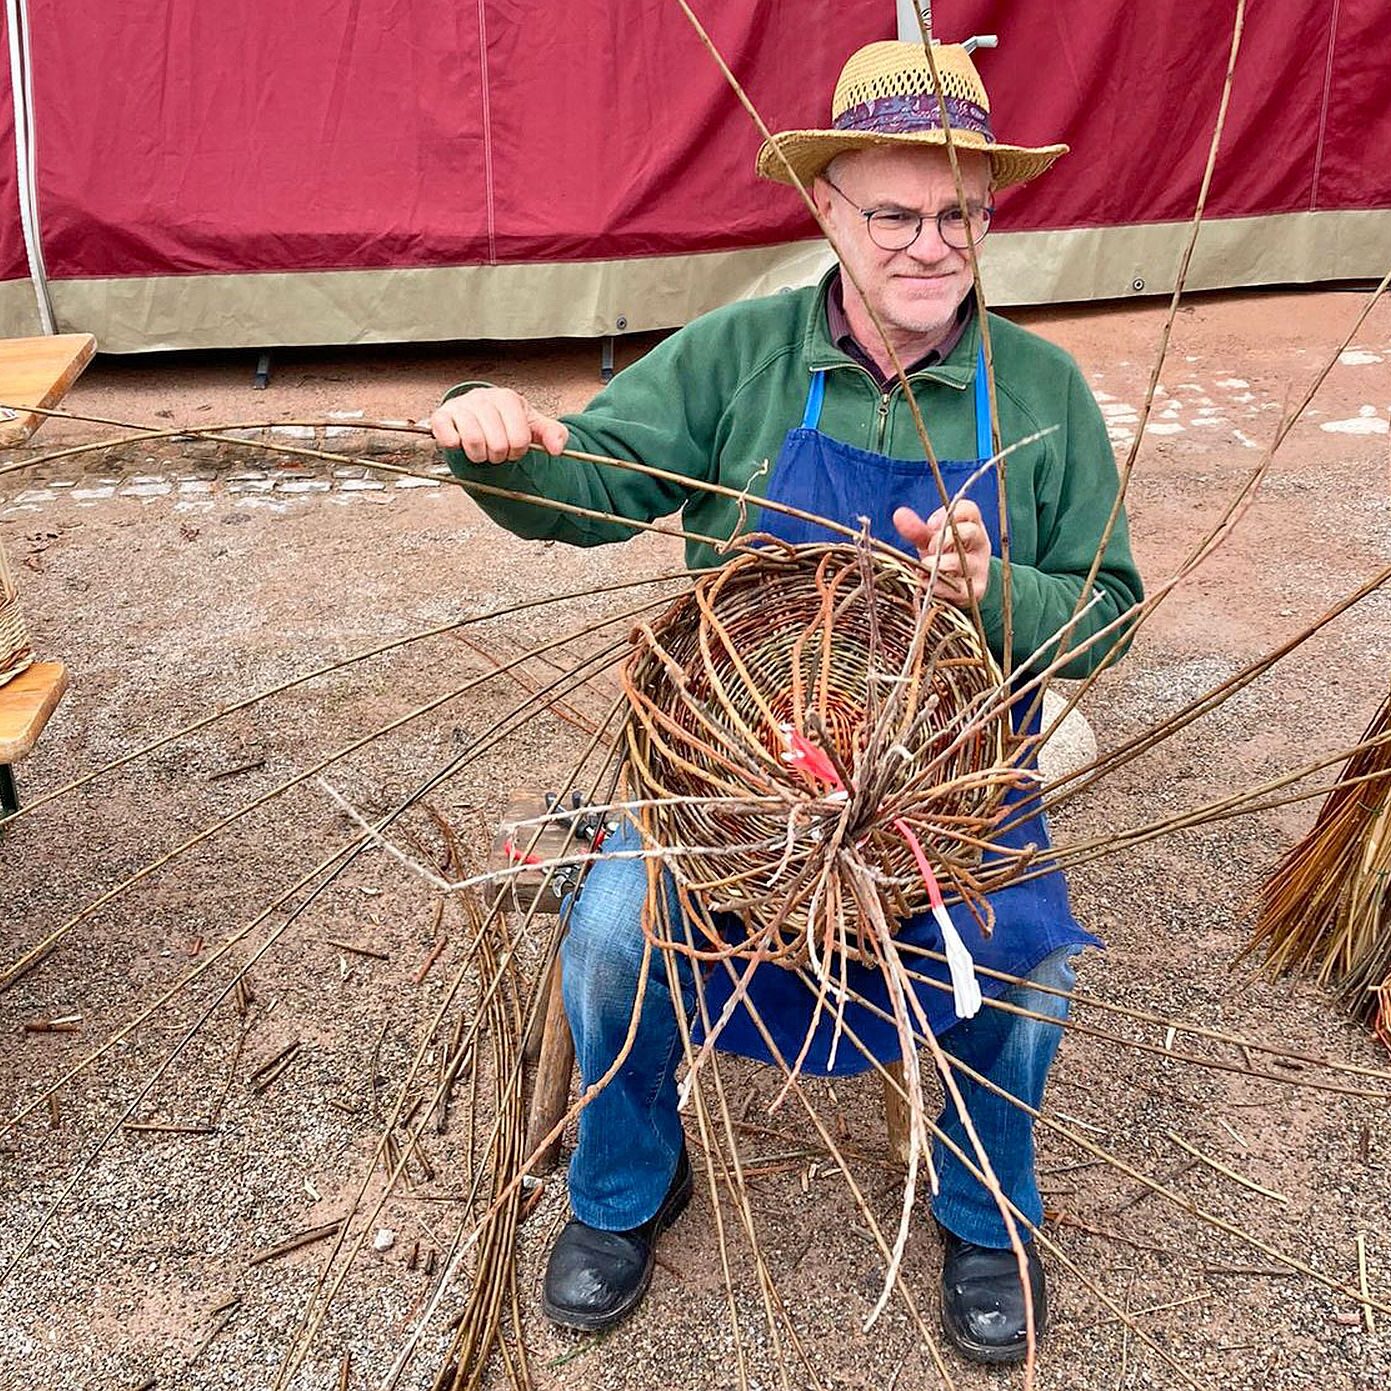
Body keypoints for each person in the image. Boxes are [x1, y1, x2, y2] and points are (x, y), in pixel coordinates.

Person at [430, 39, 1142, 1366]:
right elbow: (591, 484)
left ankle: (985, 1214)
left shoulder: (1039, 391)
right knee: (614, 934)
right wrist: (494, 436)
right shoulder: (738, 356)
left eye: (960, 213)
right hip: (728, 780)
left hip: (948, 788)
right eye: (895, 213)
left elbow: (1110, 605)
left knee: (1025, 960)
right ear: (826, 207)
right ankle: (625, 1187)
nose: (930, 246)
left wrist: (994, 595)